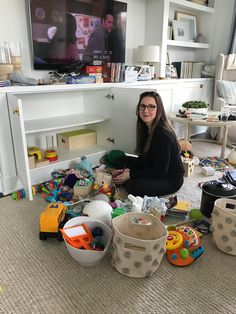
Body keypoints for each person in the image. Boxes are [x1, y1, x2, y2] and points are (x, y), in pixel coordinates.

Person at [112, 91, 184, 197]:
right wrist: (127, 170)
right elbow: (143, 160)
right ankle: (128, 176)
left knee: (135, 186)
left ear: (158, 109)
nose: (146, 110)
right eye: (143, 106)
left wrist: (130, 175)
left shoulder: (163, 135)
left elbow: (160, 172)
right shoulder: (145, 127)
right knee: (121, 160)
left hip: (169, 179)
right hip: (152, 167)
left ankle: (129, 180)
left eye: (151, 107)